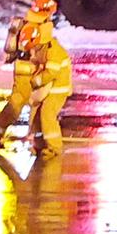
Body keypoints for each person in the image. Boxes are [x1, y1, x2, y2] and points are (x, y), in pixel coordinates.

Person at [0, 0, 55, 149]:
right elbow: (39, 51)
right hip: (29, 69)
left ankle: (38, 140)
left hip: (25, 67)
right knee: (17, 104)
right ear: (47, 11)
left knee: (32, 104)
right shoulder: (40, 26)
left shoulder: (30, 22)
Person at [26, 13, 74, 158]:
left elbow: (50, 73)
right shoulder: (43, 48)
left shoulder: (54, 51)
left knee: (47, 114)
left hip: (58, 90)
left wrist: (36, 81)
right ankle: (40, 144)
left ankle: (55, 147)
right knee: (37, 114)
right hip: (49, 88)